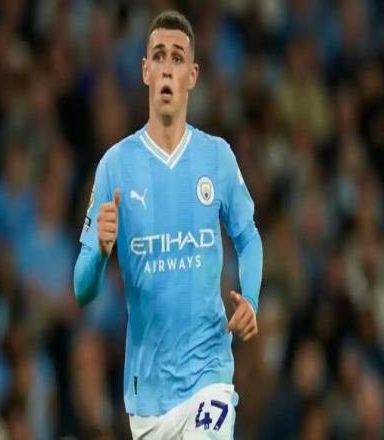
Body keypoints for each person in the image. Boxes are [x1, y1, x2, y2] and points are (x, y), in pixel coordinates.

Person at [74, 10, 263, 439]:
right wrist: (100, 252)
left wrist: (250, 299)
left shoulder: (216, 157)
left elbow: (248, 237)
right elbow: (82, 289)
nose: (167, 67)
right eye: (158, 56)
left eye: (177, 58)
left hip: (210, 371)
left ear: (192, 75)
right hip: (148, 395)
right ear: (145, 70)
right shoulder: (115, 167)